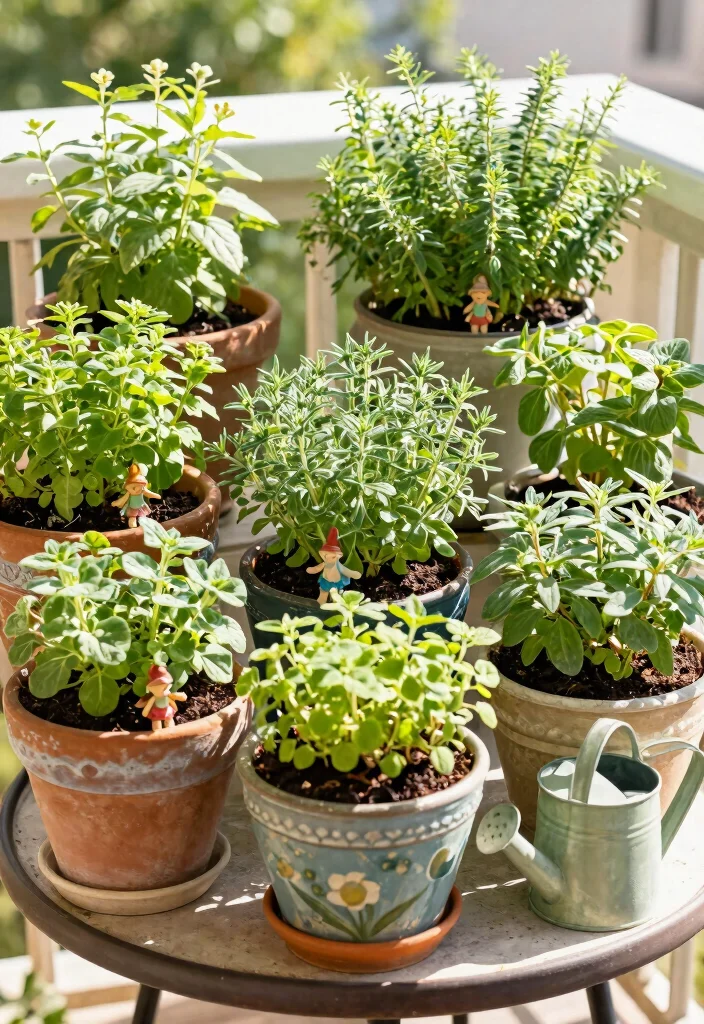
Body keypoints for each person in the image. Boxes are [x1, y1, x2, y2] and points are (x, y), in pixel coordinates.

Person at [306, 527, 362, 606]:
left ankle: (335, 605)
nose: (328, 558)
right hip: (325, 581)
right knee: (323, 593)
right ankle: (321, 604)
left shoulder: (338, 566)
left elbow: (346, 571)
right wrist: (311, 570)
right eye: (325, 556)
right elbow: (317, 568)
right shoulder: (324, 564)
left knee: (336, 596)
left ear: (339, 556)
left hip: (336, 582)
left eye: (332, 557)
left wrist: (354, 574)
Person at [135, 665, 187, 731]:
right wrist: (145, 712)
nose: (164, 690)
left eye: (166, 687)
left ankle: (170, 731)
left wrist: (175, 708)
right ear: (150, 688)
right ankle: (158, 733)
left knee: (169, 721)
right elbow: (149, 705)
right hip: (156, 711)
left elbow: (171, 701)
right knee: (157, 723)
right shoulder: (153, 698)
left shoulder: (167, 696)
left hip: (167, 710)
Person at [111, 464, 161, 529]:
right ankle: (133, 529)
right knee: (132, 518)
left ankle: (144, 528)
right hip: (132, 507)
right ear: (127, 487)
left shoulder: (142, 490)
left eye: (139, 487)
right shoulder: (129, 493)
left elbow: (149, 493)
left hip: (141, 506)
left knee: (143, 517)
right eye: (133, 488)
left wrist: (156, 496)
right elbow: (123, 499)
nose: (136, 489)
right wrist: (116, 503)